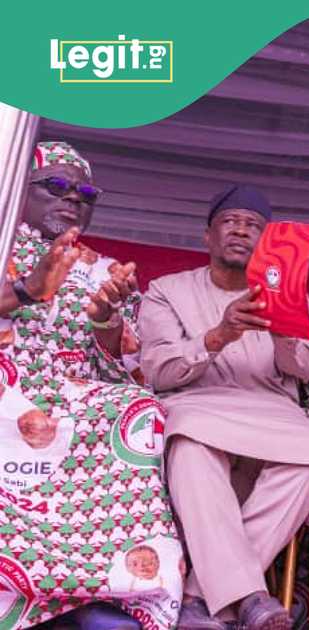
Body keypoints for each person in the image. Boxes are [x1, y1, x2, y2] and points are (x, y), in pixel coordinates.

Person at [0, 141, 182, 629]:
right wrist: (26, 290)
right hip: (5, 385)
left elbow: (119, 365)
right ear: (19, 189)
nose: (74, 198)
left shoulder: (102, 269)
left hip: (72, 392)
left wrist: (106, 321)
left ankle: (111, 592)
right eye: (56, 186)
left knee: (138, 408)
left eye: (86, 192)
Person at [138, 184, 309, 630]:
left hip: (273, 410)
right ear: (208, 236)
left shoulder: (291, 295)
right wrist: (218, 335)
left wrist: (284, 328)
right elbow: (158, 372)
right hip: (198, 403)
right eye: (230, 222)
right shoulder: (166, 290)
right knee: (188, 444)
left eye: (253, 226)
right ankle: (247, 598)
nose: (241, 231)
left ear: (267, 244)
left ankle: (200, 599)